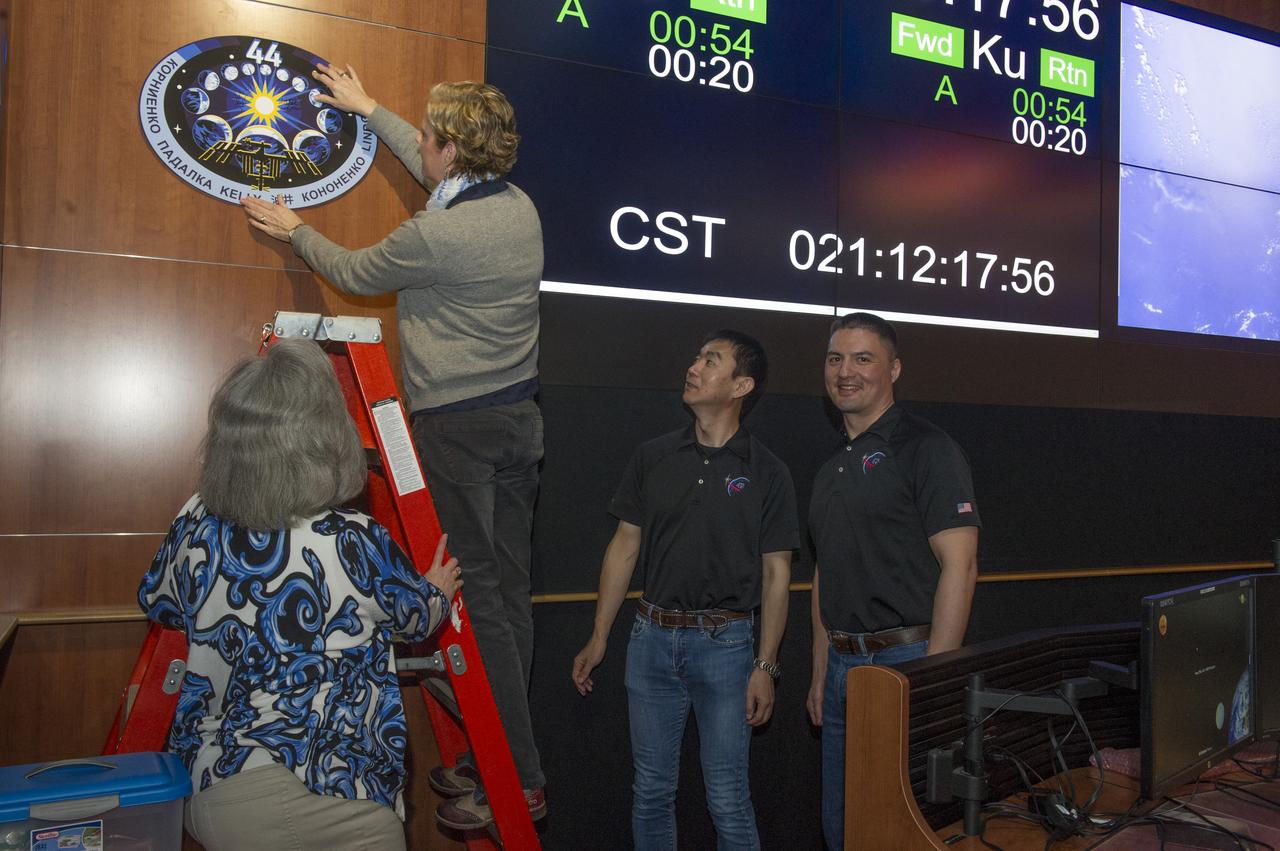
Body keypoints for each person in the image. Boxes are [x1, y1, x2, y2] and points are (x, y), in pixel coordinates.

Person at [240, 67, 547, 828]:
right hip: (520, 424)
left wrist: (293, 229)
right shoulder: (516, 206)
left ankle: (519, 774)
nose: (425, 143)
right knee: (506, 600)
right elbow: (431, 160)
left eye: (430, 134)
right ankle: (495, 756)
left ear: (450, 148)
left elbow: (352, 270)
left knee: (476, 606)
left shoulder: (435, 236)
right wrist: (369, 108)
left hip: (459, 430)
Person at [138, 338, 462, 851]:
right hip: (331, 792)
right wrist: (438, 588)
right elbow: (417, 620)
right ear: (325, 438)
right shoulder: (352, 538)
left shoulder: (195, 519)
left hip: (214, 793)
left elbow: (159, 602)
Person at [572, 330, 798, 851]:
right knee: (650, 791)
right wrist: (599, 635)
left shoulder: (768, 472)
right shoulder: (654, 456)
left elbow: (777, 576)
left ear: (742, 384)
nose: (693, 367)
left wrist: (766, 665)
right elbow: (624, 547)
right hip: (650, 640)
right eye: (697, 357)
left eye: (710, 360)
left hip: (727, 649)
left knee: (727, 796)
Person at [806, 312, 981, 849]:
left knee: (901, 831)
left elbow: (962, 565)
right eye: (836, 358)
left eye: (863, 358)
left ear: (894, 369)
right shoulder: (832, 464)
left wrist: (936, 678)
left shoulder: (928, 448)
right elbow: (824, 574)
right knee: (843, 830)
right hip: (841, 671)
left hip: (906, 664)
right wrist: (819, 674)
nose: (845, 371)